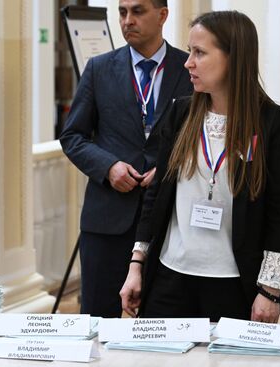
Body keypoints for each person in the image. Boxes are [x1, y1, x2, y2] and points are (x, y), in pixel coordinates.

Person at [120, 10, 280, 323]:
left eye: (199, 53)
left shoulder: (273, 124)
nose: (188, 62)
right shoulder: (181, 113)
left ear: (234, 57)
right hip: (169, 278)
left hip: (234, 283)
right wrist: (137, 264)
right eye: (190, 51)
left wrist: (270, 290)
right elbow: (156, 197)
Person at [60, 0, 193, 317]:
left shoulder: (189, 69)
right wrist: (108, 167)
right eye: (122, 13)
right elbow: (72, 136)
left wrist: (169, 168)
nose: (127, 20)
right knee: (97, 321)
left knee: (162, 323)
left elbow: (203, 137)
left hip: (168, 220)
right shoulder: (99, 68)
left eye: (137, 11)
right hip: (107, 219)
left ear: (162, 15)